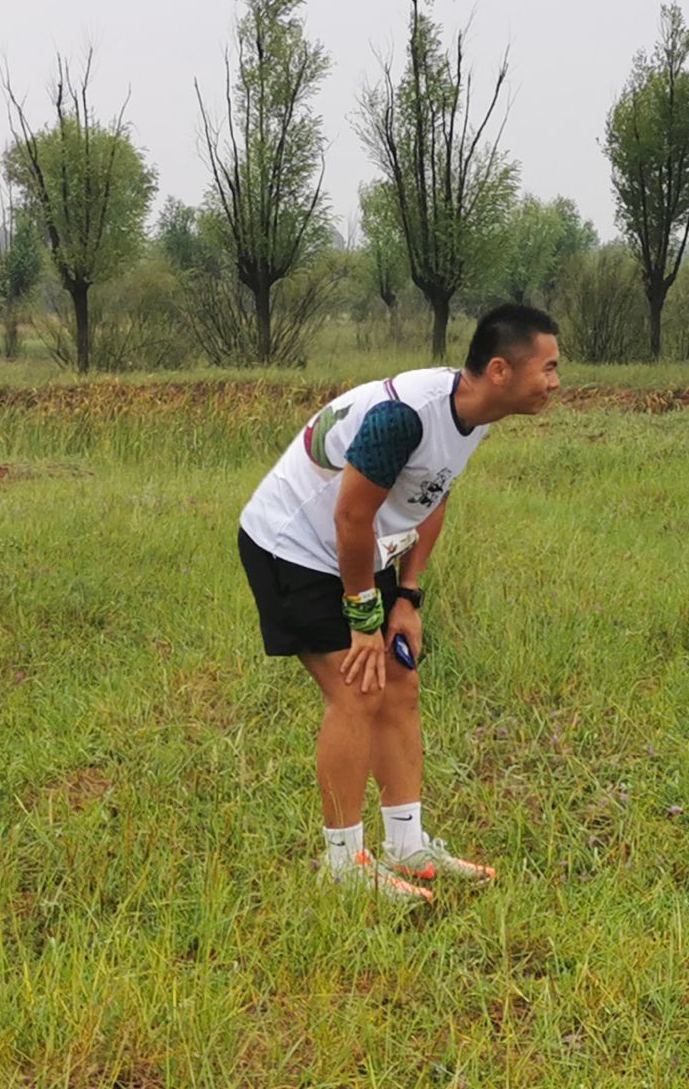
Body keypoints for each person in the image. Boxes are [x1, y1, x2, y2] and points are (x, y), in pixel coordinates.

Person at [236, 304, 560, 902]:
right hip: (295, 547)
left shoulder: (475, 413)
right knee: (358, 689)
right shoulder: (402, 418)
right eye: (548, 367)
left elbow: (429, 496)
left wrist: (408, 597)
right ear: (499, 370)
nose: (556, 382)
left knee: (400, 681)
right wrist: (363, 621)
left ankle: (406, 845)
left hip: (363, 550)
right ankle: (342, 864)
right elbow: (351, 515)